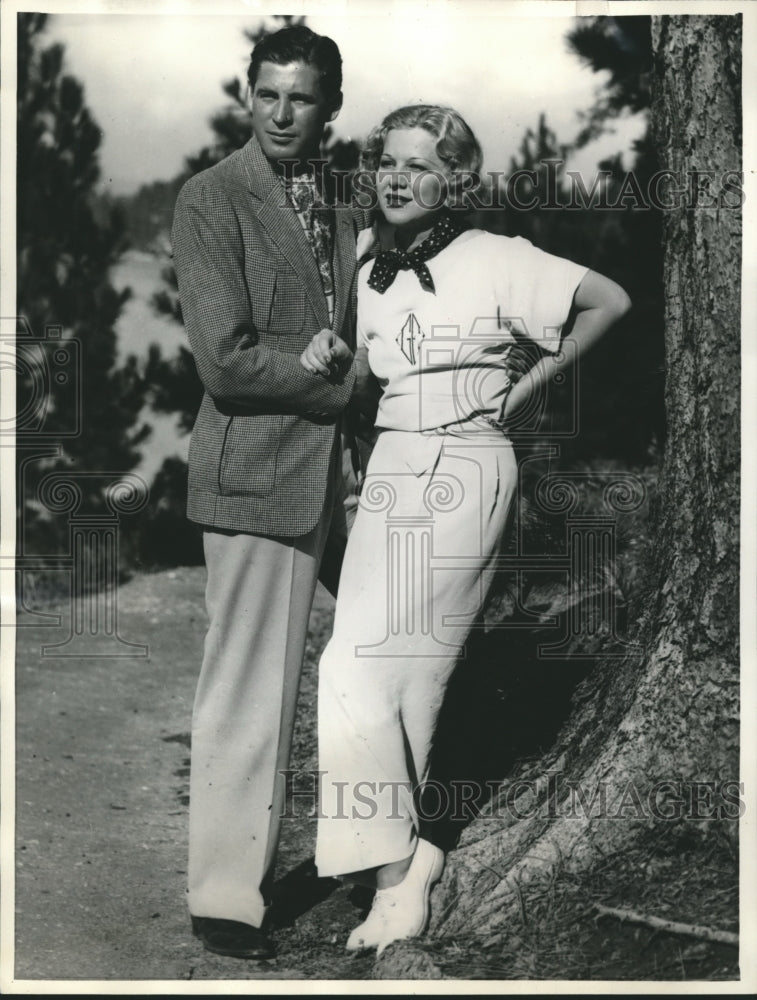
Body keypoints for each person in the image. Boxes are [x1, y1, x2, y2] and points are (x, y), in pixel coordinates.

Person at [299, 104, 632, 954]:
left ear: (453, 179)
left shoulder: (496, 258)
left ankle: (396, 874)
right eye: (387, 162)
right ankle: (403, 862)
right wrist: (333, 359)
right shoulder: (370, 262)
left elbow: (608, 300)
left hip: (465, 468)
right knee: (395, 679)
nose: (397, 177)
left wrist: (521, 392)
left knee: (366, 666)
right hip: (390, 471)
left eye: (419, 164)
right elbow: (371, 369)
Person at [171, 25, 368, 960]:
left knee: (382, 652)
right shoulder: (212, 199)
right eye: (268, 94)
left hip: (338, 477)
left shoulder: (338, 200)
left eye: (302, 97)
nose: (283, 113)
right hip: (254, 475)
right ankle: (224, 898)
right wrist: (337, 383)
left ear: (331, 104)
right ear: (248, 96)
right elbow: (226, 361)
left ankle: (377, 854)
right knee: (248, 692)